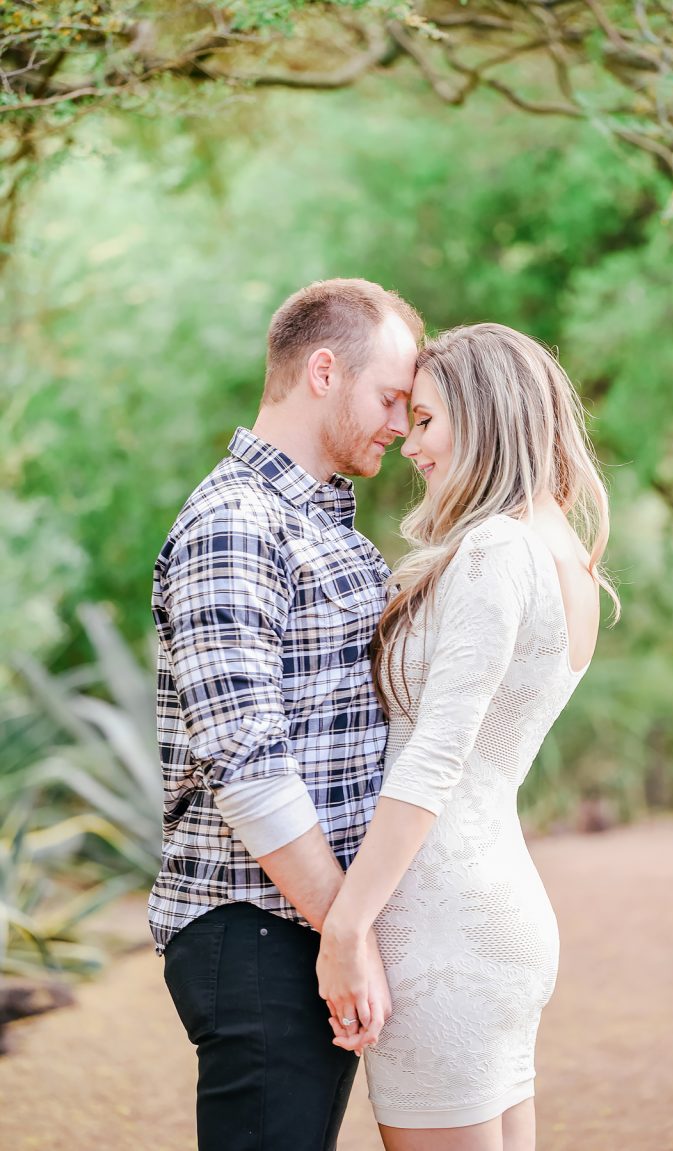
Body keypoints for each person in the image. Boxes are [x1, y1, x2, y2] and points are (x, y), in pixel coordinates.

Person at [317, 323, 620, 1151]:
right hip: (494, 909)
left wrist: (345, 927)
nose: (410, 444)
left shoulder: (495, 548)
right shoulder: (567, 559)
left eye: (425, 420)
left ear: (485, 415)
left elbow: (437, 756)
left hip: (440, 926)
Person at [148, 278, 423, 1151]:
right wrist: (343, 931)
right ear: (323, 370)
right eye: (389, 398)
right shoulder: (234, 521)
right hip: (257, 925)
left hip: (302, 923)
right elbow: (248, 766)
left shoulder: (327, 526)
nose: (399, 423)